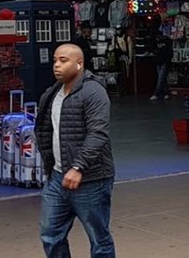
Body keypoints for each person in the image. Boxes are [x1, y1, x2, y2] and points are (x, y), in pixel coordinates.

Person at [35, 44, 115, 258]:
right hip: (58, 178)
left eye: (63, 60)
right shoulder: (52, 94)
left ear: (79, 64)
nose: (56, 66)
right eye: (55, 60)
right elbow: (44, 131)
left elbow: (98, 133)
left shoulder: (93, 92)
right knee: (50, 233)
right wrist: (51, 167)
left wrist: (79, 166)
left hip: (91, 179)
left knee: (99, 238)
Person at [149, 30, 173, 101]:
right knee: (162, 78)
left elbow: (169, 51)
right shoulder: (155, 42)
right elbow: (152, 49)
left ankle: (156, 93)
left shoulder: (167, 40)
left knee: (161, 78)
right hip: (158, 61)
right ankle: (166, 93)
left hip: (165, 61)